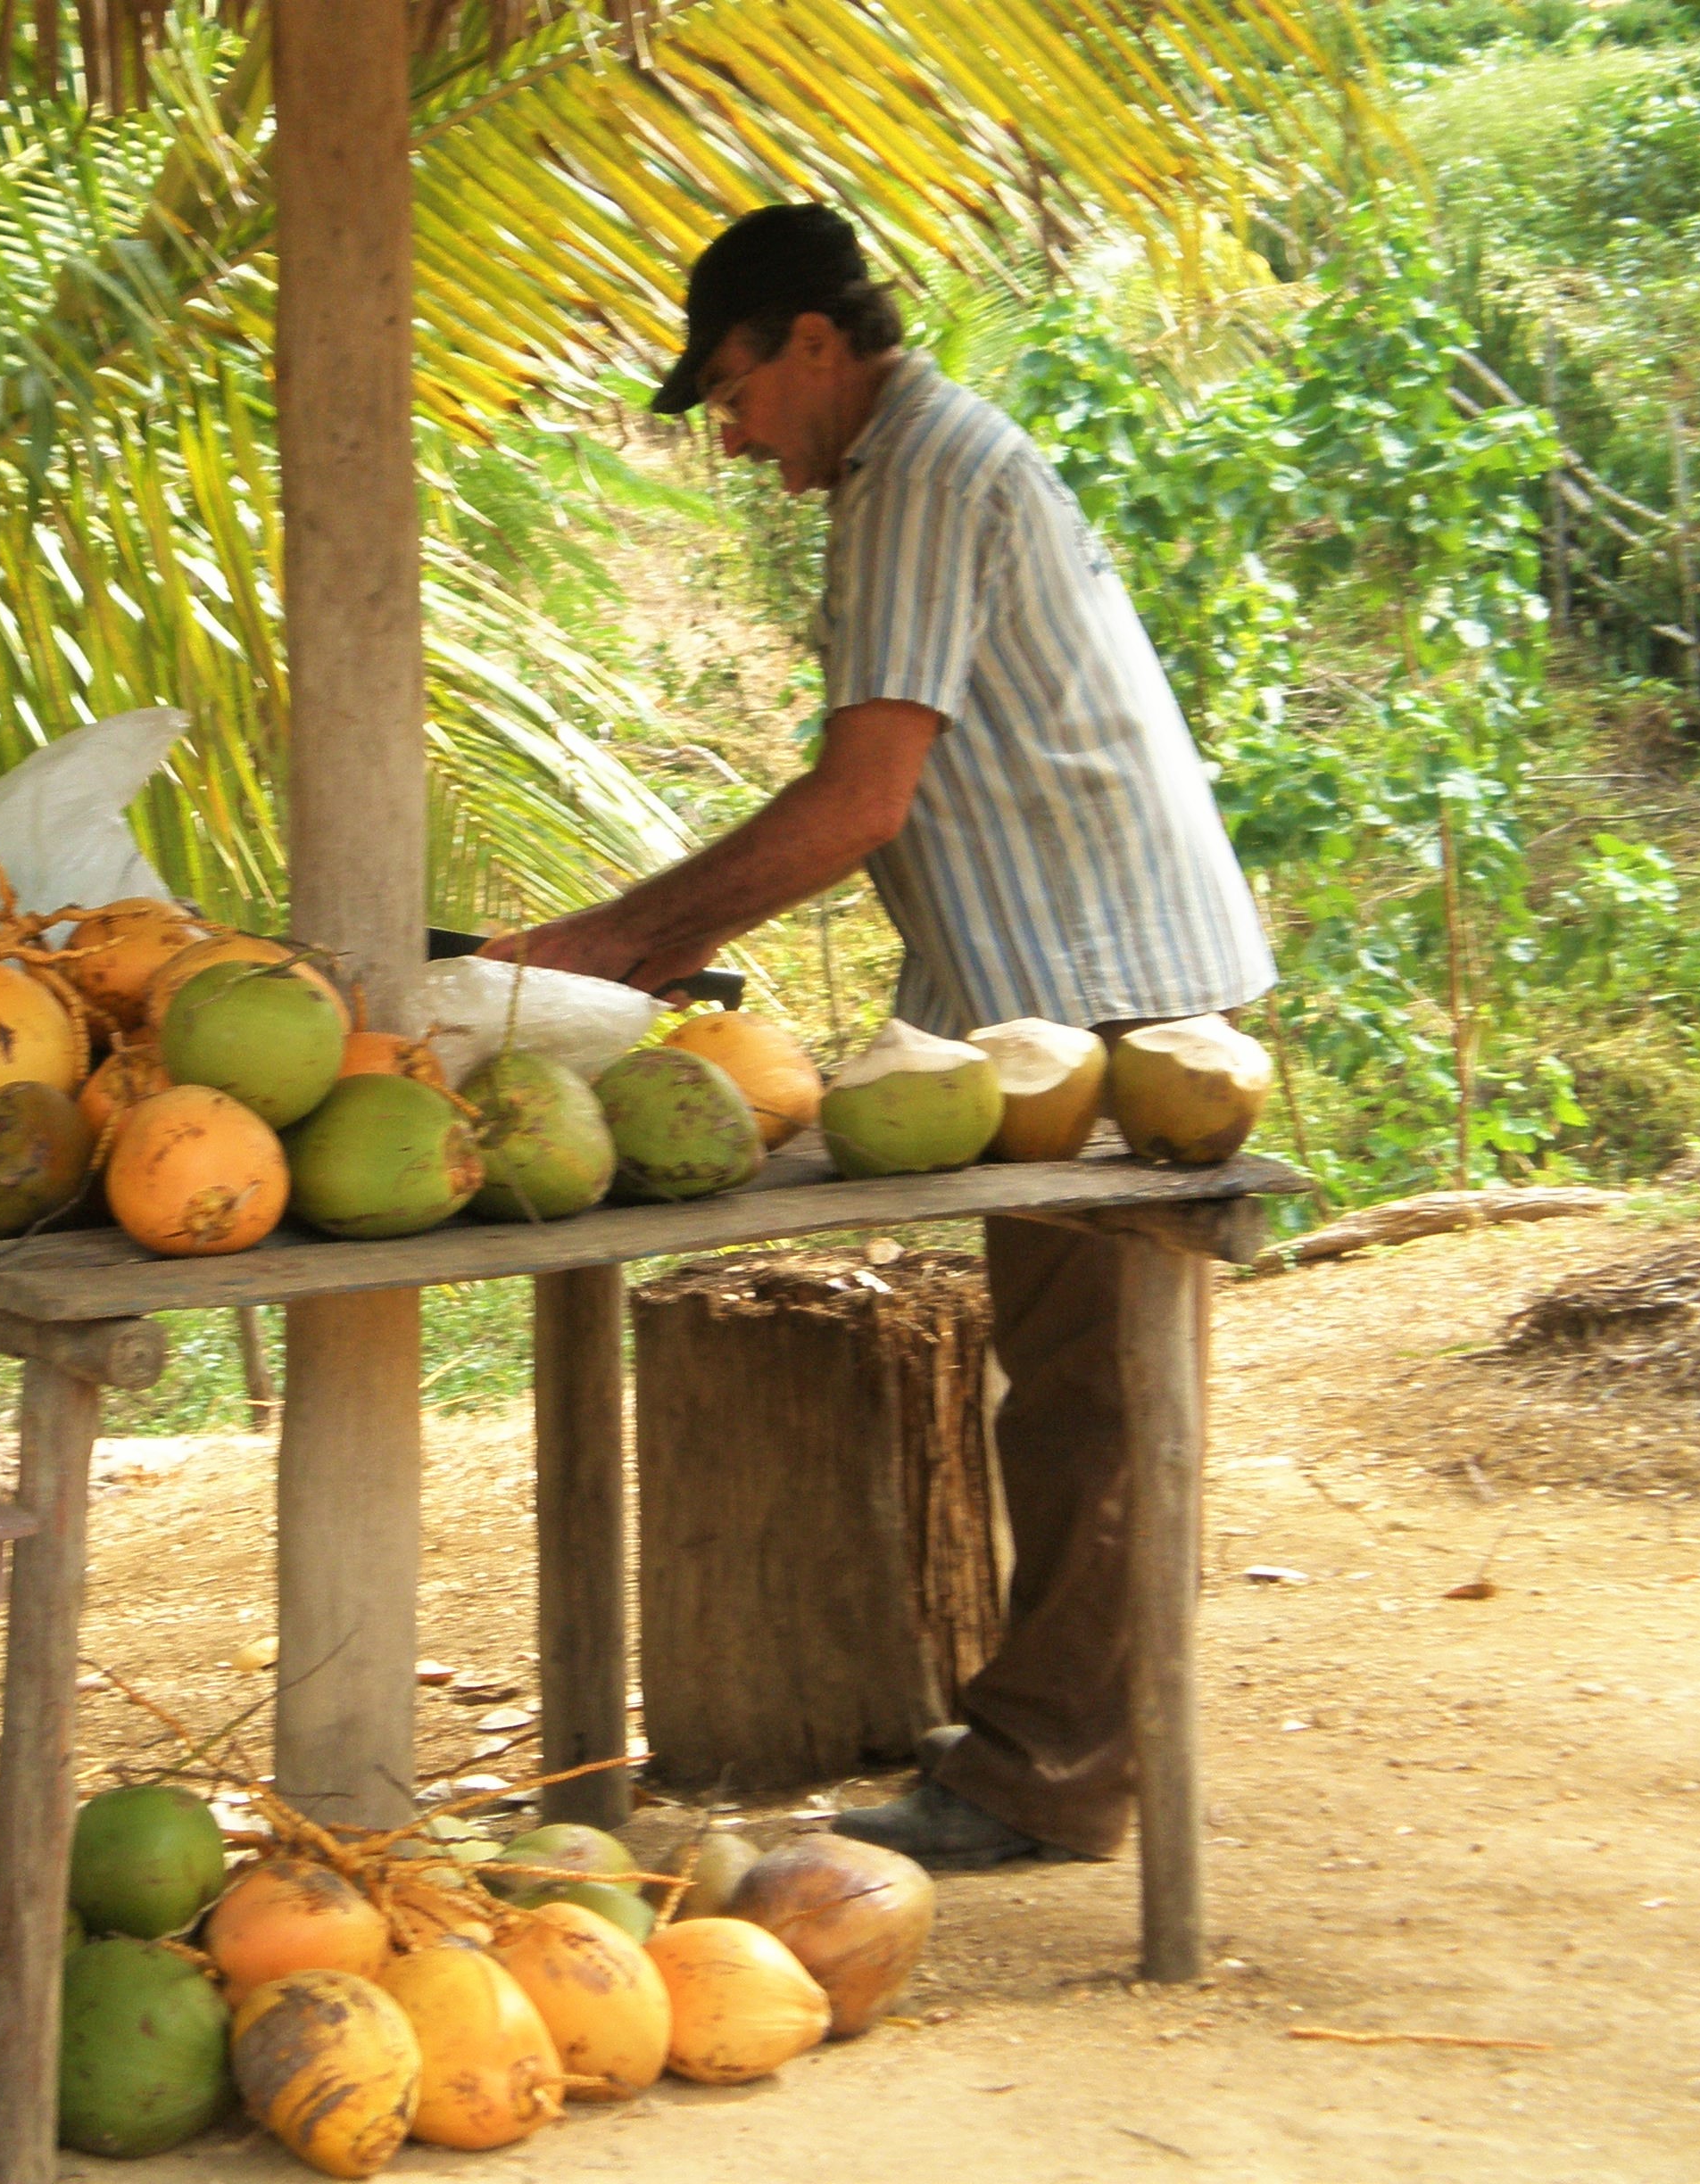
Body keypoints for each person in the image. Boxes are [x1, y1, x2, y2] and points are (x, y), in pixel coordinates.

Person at [491, 203, 1276, 1870]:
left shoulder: (916, 472)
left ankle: (1050, 1772)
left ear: (816, 347)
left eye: (732, 385)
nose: (728, 425)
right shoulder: (920, 463)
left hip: (1102, 993)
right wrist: (657, 938)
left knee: (1093, 1407)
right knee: (1070, 1397)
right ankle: (1050, 1739)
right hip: (1064, 979)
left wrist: (624, 944)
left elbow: (862, 800)